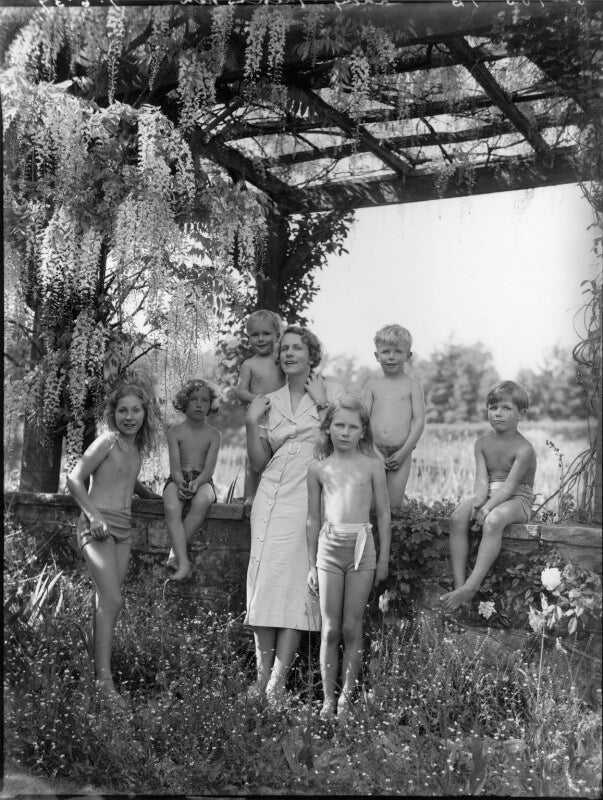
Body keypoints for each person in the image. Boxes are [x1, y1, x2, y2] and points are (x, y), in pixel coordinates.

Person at [244, 325, 343, 705]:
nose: (288, 354)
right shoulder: (269, 401)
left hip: (308, 496)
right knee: (265, 584)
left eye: (296, 348)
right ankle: (260, 679)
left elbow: (345, 441)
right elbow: (257, 463)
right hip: (271, 495)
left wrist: (322, 406)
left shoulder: (330, 390)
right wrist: (253, 422)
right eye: (283, 348)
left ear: (310, 354)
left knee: (296, 587)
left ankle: (278, 685)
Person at [66, 376, 160, 710]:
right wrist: (93, 517)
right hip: (98, 527)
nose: (129, 416)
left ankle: (95, 678)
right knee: (113, 599)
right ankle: (104, 684)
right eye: (123, 410)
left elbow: (127, 481)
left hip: (124, 530)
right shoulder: (107, 441)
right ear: (113, 413)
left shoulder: (135, 449)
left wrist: (152, 496)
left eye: (136, 410)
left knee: (106, 605)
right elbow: (74, 479)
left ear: (145, 414)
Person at [306, 396, 391, 721]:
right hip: (329, 549)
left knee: (352, 627)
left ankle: (346, 700)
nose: (345, 432)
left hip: (361, 549)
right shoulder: (318, 468)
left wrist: (382, 559)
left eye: (352, 426)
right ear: (327, 428)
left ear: (362, 431)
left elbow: (383, 513)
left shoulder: (371, 464)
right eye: (339, 425)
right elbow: (313, 519)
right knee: (330, 629)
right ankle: (328, 700)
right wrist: (312, 564)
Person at [440, 381, 536, 611]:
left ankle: (472, 586)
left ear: (521, 414)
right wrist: (479, 502)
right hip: (490, 496)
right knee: (456, 518)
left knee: (493, 521)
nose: (498, 413)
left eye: (506, 408)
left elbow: (510, 486)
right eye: (493, 408)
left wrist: (487, 509)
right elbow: (482, 480)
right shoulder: (481, 444)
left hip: (517, 499)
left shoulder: (524, 448)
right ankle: (459, 583)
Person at [163, 378, 222, 581]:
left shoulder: (214, 435)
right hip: (178, 478)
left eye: (204, 400)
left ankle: (174, 554)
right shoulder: (175, 432)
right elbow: (174, 467)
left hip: (203, 480)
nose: (198, 404)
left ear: (210, 405)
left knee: (203, 499)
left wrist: (197, 483)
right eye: (193, 399)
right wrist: (179, 482)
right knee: (171, 504)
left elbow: (209, 470)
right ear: (183, 402)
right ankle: (184, 562)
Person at [362, 324, 425, 509]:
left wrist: (405, 451)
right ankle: (371, 538)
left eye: (398, 352)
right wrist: (372, 448)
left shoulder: (413, 385)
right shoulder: (372, 385)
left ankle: (393, 534)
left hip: (402, 451)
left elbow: (419, 421)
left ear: (408, 356)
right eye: (385, 352)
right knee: (372, 505)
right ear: (377, 356)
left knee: (393, 505)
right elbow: (363, 420)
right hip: (372, 450)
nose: (391, 357)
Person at [236, 309, 286, 504]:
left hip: (281, 416)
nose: (261, 338)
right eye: (255, 335)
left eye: (266, 333)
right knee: (255, 459)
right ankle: (250, 495)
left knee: (280, 457)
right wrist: (255, 398)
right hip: (260, 417)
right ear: (248, 337)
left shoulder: (281, 360)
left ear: (277, 335)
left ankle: (277, 495)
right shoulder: (249, 364)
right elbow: (240, 391)